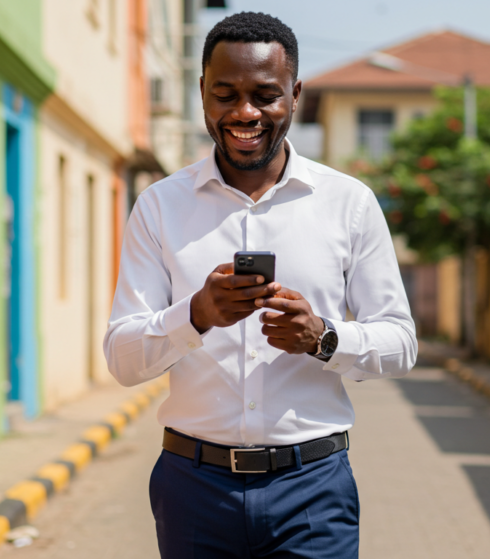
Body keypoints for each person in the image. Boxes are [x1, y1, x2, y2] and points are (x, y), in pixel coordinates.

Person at [104, 11, 417, 558]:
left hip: (313, 488)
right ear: (202, 93)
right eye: (225, 94)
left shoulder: (349, 203)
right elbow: (123, 359)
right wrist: (195, 315)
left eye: (265, 95)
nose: (244, 112)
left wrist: (323, 337)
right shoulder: (159, 206)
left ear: (294, 96)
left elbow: (401, 343)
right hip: (193, 487)